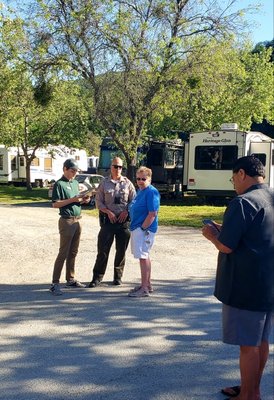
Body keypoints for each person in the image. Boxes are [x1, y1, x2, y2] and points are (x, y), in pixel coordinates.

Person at [202, 156, 274, 400]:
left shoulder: (243, 202)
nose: (233, 183)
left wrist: (211, 234)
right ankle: (252, 389)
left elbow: (226, 246)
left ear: (242, 173)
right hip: (268, 283)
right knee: (261, 340)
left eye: (233, 177)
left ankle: (249, 396)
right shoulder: (270, 197)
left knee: (248, 345)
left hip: (245, 284)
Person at [88, 157, 136, 287]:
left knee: (121, 251)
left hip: (123, 222)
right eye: (116, 166)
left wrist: (127, 211)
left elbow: (134, 201)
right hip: (108, 222)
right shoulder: (104, 183)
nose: (118, 169)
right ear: (111, 167)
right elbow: (99, 201)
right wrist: (107, 212)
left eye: (120, 167)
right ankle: (97, 277)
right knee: (102, 251)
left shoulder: (128, 183)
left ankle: (118, 277)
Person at [49, 158, 90, 296]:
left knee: (73, 252)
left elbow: (76, 201)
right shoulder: (59, 184)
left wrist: (84, 200)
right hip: (66, 221)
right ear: (65, 169)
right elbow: (55, 204)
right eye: (72, 171)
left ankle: (70, 278)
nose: (74, 173)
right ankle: (55, 283)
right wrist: (72, 200)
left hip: (78, 220)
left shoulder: (75, 183)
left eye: (76, 171)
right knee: (63, 252)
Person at [128, 166, 160, 297]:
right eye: (138, 179)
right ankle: (146, 284)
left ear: (149, 179)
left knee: (143, 256)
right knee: (143, 256)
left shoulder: (151, 192)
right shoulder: (140, 191)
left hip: (144, 229)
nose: (140, 181)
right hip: (137, 228)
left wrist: (142, 228)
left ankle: (144, 289)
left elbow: (152, 213)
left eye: (143, 179)